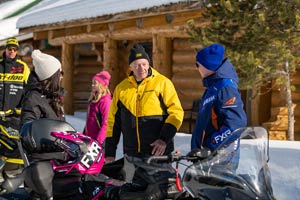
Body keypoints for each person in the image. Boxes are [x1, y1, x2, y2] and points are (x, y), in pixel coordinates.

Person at [105, 43, 184, 188]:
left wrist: (163, 139)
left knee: (160, 191)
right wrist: (110, 152)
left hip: (157, 155)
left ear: (149, 64)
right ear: (130, 67)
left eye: (144, 64)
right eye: (136, 65)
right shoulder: (122, 89)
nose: (141, 68)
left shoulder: (162, 83)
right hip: (131, 155)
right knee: (132, 192)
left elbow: (176, 112)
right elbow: (113, 122)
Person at [191, 44, 247, 156]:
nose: (197, 68)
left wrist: (212, 145)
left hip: (221, 156)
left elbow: (236, 124)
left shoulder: (225, 88)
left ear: (208, 66)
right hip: (208, 155)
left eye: (197, 65)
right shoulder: (213, 87)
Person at [20, 49, 64, 128]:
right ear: (51, 77)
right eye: (60, 73)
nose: (62, 76)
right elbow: (28, 131)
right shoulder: (33, 98)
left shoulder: (52, 96)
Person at [0, 37, 30, 129]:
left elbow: (29, 88)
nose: (12, 51)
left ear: (17, 51)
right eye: (9, 48)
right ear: (5, 49)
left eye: (14, 49)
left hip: (14, 114)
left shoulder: (23, 66)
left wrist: (22, 107)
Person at [84, 70, 112, 146]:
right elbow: (90, 120)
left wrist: (97, 142)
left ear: (102, 84)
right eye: (92, 83)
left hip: (100, 142)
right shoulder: (94, 99)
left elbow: (106, 124)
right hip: (90, 139)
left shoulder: (105, 101)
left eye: (95, 83)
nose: (92, 85)